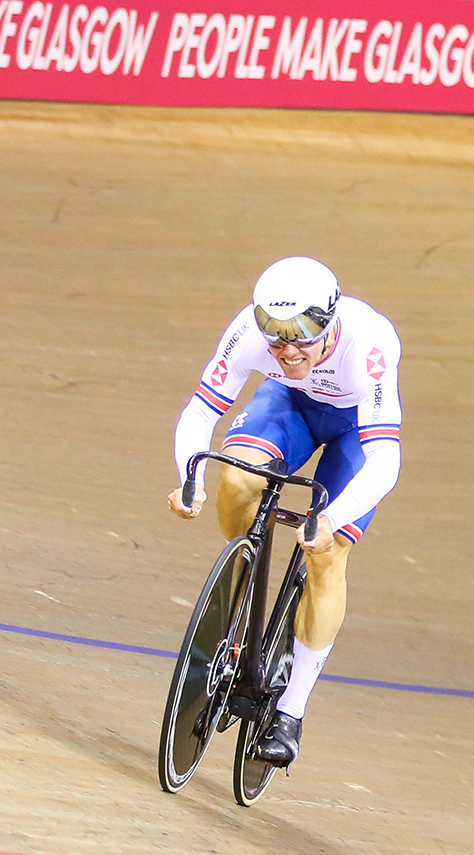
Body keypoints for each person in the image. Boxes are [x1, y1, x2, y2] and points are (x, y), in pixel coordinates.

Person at [166, 257, 402, 767]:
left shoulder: (371, 345)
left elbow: (386, 460)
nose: (288, 350)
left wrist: (332, 520)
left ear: (330, 322)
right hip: (290, 406)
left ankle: (290, 712)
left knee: (327, 556)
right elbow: (201, 410)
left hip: (354, 432)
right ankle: (242, 578)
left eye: (301, 338)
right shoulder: (249, 333)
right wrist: (190, 478)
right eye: (276, 339)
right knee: (235, 476)